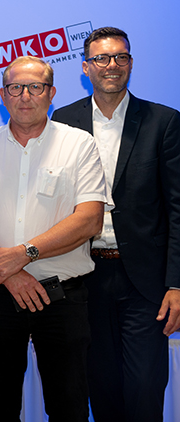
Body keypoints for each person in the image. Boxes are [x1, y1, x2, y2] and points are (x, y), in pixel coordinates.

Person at [0, 56, 108, 421]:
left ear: (51, 94)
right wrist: (9, 273)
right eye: (15, 88)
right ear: (2, 95)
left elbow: (89, 219)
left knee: (68, 407)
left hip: (62, 299)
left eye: (35, 87)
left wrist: (24, 254)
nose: (25, 96)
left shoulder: (79, 144)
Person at [51, 26, 180, 421]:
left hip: (145, 281)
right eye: (102, 58)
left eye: (121, 57)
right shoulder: (64, 120)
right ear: (86, 67)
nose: (112, 65)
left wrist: (177, 284)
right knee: (101, 388)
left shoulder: (164, 121)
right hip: (84, 276)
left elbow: (178, 208)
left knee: (143, 390)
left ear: (131, 63)